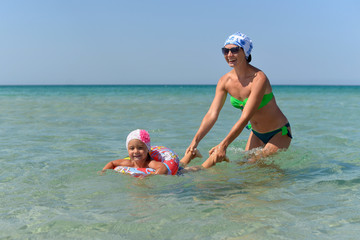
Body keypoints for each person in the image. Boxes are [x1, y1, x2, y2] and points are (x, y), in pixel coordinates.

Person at [186, 32, 292, 164]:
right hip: (256, 133)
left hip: (278, 132)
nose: (229, 55)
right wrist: (195, 141)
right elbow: (212, 114)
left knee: (253, 164)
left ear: (245, 52)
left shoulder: (259, 78)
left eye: (234, 50)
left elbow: (245, 117)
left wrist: (223, 145)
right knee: (244, 168)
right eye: (225, 51)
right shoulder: (224, 81)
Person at [100, 129, 227, 176]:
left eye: (140, 148)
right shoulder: (128, 162)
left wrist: (149, 177)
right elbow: (112, 163)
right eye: (132, 148)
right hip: (173, 166)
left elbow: (162, 168)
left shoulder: (150, 163)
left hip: (175, 172)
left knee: (194, 169)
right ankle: (191, 154)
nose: (136, 151)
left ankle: (213, 159)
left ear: (148, 149)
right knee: (181, 163)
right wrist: (103, 171)